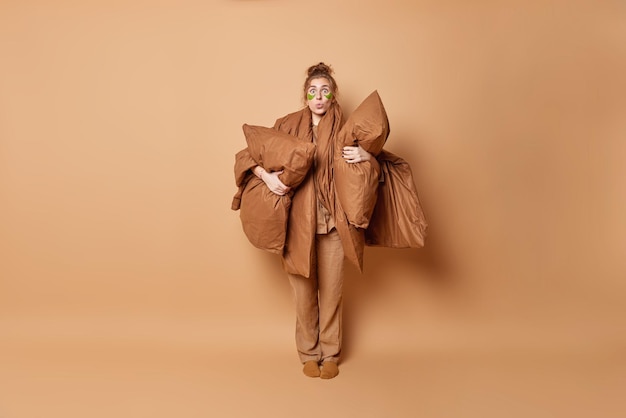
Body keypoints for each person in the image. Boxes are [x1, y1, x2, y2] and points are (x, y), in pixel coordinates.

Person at [250, 63, 374, 379]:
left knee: (332, 292)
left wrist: (367, 157)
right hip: (296, 226)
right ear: (305, 96)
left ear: (333, 96)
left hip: (334, 225)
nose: (319, 97)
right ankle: (308, 353)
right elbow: (250, 155)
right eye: (312, 91)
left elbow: (376, 166)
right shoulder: (287, 125)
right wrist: (266, 177)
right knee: (303, 294)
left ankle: (330, 353)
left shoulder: (347, 128)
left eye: (325, 91)